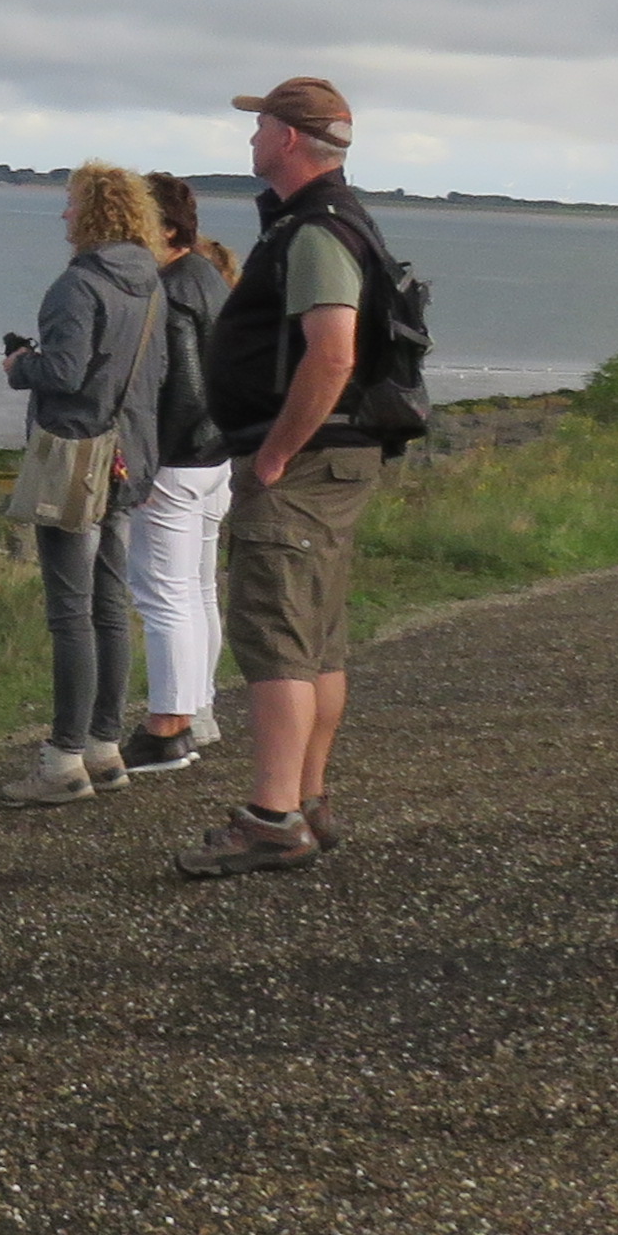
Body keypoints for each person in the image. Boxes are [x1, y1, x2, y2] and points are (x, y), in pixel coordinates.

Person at [178, 77, 405, 879]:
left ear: (289, 138)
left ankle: (272, 816)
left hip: (305, 463)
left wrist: (274, 453)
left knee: (275, 637)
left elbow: (334, 352)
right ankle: (306, 798)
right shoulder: (335, 221)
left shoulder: (317, 230)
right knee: (317, 638)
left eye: (260, 125)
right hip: (336, 460)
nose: (250, 139)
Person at [0, 165, 169, 805]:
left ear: (94, 213)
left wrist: (21, 366)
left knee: (70, 613)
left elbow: (64, 372)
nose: (63, 216)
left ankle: (64, 758)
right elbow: (160, 377)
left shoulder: (78, 285)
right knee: (108, 607)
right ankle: (104, 746)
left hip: (75, 461)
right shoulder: (151, 284)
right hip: (128, 457)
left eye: (70, 205)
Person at [109, 173, 239, 778]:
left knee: (163, 596)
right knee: (196, 589)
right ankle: (198, 710)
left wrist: (148, 453)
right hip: (216, 457)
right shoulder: (209, 277)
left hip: (179, 457)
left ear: (164, 227)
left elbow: (178, 384)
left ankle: (169, 727)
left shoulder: (171, 290)